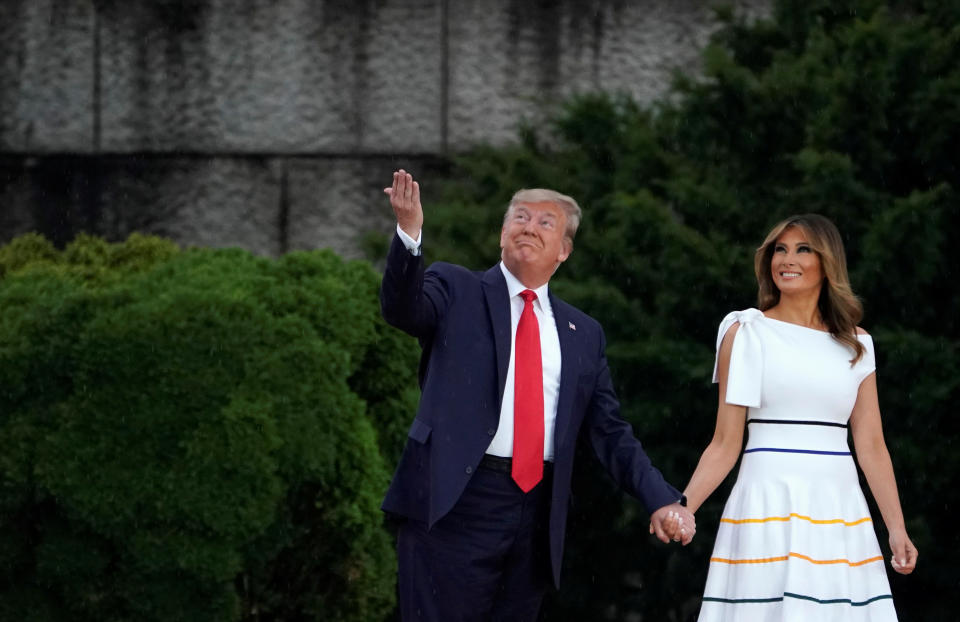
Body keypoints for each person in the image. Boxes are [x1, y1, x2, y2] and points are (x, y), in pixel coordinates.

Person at [379, 169, 694, 621]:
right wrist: (410, 232)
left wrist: (662, 497)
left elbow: (609, 430)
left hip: (535, 516)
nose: (529, 226)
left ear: (565, 250)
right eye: (520, 217)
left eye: (546, 222)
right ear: (502, 234)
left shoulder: (583, 333)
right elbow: (401, 308)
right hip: (454, 504)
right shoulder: (456, 288)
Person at [682, 214, 918, 621]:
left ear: (827, 262)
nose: (787, 260)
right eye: (780, 249)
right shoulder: (745, 332)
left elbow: (872, 445)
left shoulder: (858, 343)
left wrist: (896, 528)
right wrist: (683, 507)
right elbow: (724, 443)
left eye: (802, 249)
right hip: (765, 501)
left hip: (838, 508)